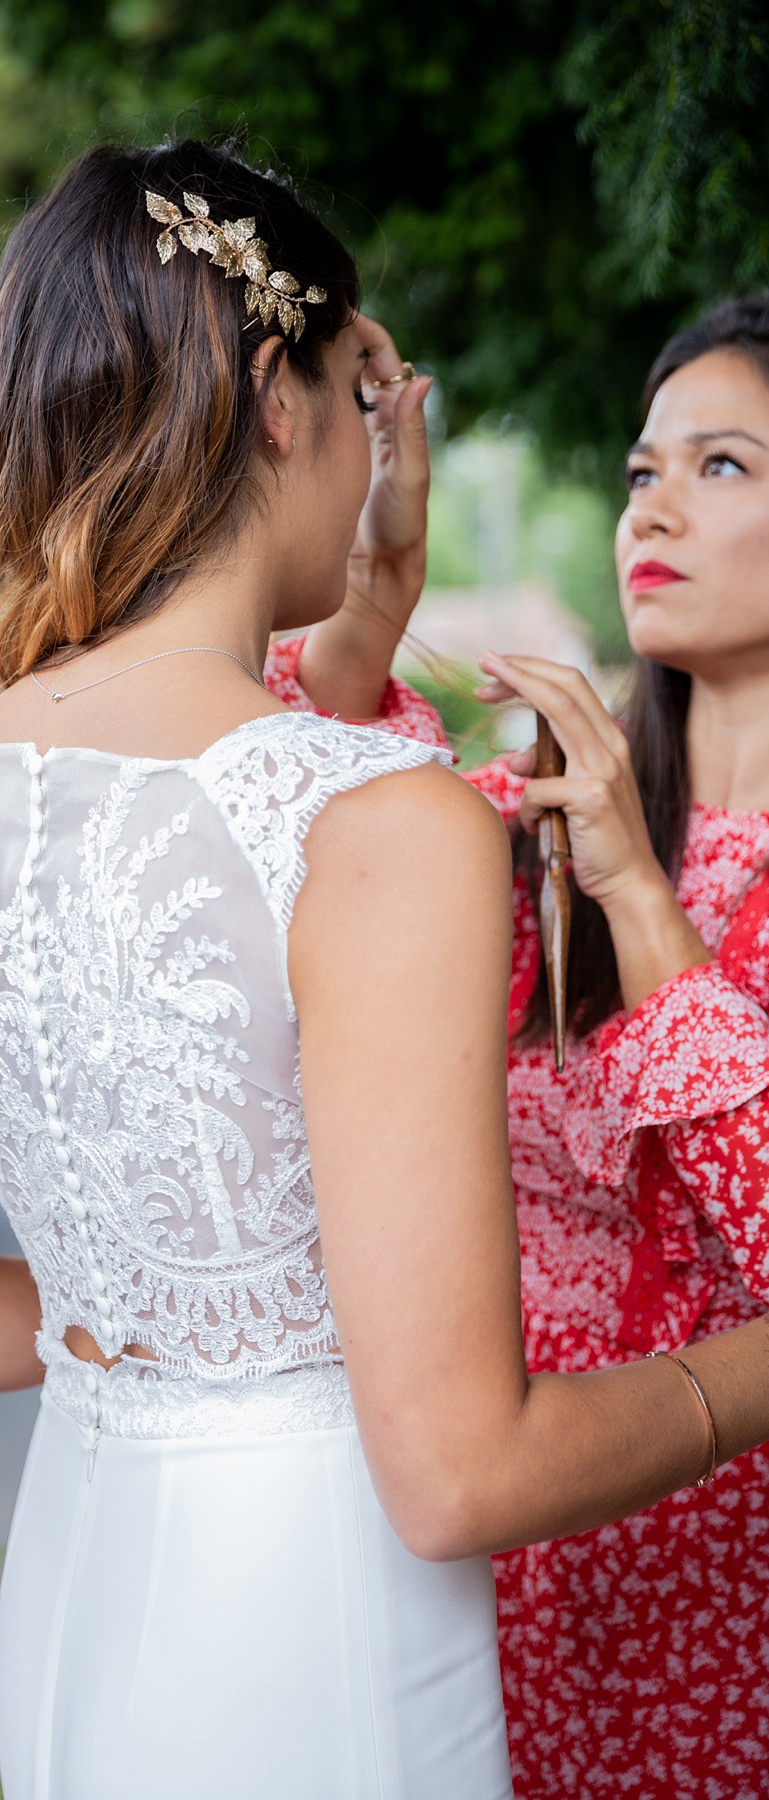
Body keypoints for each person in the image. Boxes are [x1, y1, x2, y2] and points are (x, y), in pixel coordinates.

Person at [0, 145, 769, 1800]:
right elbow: (458, 1474)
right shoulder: (379, 820)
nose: (374, 459)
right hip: (315, 1603)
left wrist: (211, 1322)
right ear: (281, 400)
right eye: (364, 401)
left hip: (89, 1550)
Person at [269, 291, 769, 1797]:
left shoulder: (592, 845)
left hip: (733, 1583)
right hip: (511, 1558)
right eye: (639, 469)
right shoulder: (523, 822)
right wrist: (378, 579)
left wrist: (637, 892)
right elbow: (288, 834)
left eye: (724, 465)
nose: (653, 504)